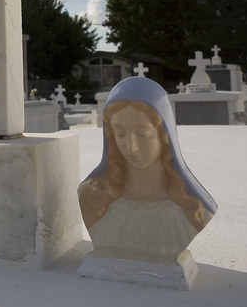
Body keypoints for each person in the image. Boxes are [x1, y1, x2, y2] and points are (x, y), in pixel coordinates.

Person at [78, 76, 216, 263]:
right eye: (120, 134)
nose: (131, 147)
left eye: (142, 134)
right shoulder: (93, 198)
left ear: (164, 135)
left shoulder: (192, 208)